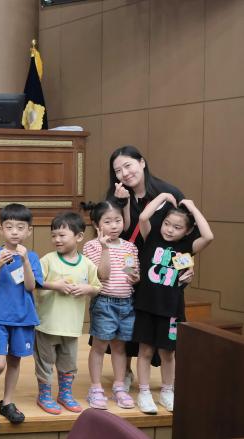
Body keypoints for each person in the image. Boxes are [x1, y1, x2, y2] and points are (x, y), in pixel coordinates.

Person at [105, 145, 195, 387]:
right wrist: (121, 202)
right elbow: (118, 230)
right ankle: (123, 371)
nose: (124, 173)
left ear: (142, 162)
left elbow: (185, 233)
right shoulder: (115, 196)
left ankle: (161, 381)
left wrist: (188, 266)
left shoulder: (169, 192)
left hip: (160, 269)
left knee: (156, 325)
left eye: (128, 165)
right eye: (118, 170)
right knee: (123, 316)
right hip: (127, 265)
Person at [133, 194, 213, 414]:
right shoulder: (151, 238)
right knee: (145, 351)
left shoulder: (187, 246)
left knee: (168, 353)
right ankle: (144, 392)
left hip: (171, 309)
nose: (169, 229)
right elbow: (143, 216)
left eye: (177, 227)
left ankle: (168, 391)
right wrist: (164, 196)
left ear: (187, 231)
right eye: (167, 224)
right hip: (147, 305)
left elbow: (208, 236)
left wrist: (193, 208)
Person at [0, 203, 43, 430]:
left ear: (29, 231)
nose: (14, 232)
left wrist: (24, 261)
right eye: (9, 227)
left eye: (20, 227)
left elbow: (30, 286)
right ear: (0, 230)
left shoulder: (32, 257)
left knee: (15, 361)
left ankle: (7, 402)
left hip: (23, 317)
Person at [34, 212, 102, 415]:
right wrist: (55, 286)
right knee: (45, 362)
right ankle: (44, 395)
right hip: (47, 323)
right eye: (54, 235)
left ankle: (65, 394)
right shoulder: (47, 260)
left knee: (68, 362)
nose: (57, 239)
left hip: (72, 326)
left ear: (79, 237)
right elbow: (34, 283)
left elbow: (97, 287)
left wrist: (86, 289)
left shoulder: (87, 264)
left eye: (62, 235)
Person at [83, 200, 140, 410]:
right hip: (104, 302)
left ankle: (119, 388)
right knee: (99, 346)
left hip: (127, 303)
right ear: (97, 225)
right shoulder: (92, 246)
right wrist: (105, 248)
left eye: (118, 220)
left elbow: (134, 276)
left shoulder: (130, 247)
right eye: (108, 221)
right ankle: (96, 388)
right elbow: (102, 275)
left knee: (119, 346)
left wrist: (135, 277)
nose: (114, 225)